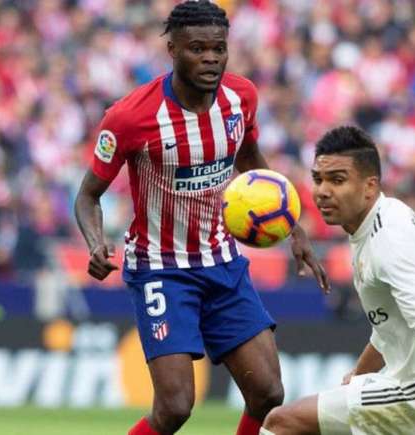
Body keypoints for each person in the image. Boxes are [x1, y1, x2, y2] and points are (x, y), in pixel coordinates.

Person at [74, 2, 329, 434]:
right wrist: (95, 243)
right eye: (197, 48)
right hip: (161, 267)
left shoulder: (240, 98)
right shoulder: (131, 117)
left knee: (268, 393)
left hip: (222, 263)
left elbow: (251, 161)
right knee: (174, 408)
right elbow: (87, 196)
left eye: (218, 48)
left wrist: (294, 228)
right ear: (172, 49)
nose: (210, 58)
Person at [260, 126, 415, 435]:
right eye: (318, 179)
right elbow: (391, 327)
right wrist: (359, 374)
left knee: (282, 422)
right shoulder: (375, 223)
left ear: (370, 186)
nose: (323, 191)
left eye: (338, 180)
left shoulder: (389, 240)